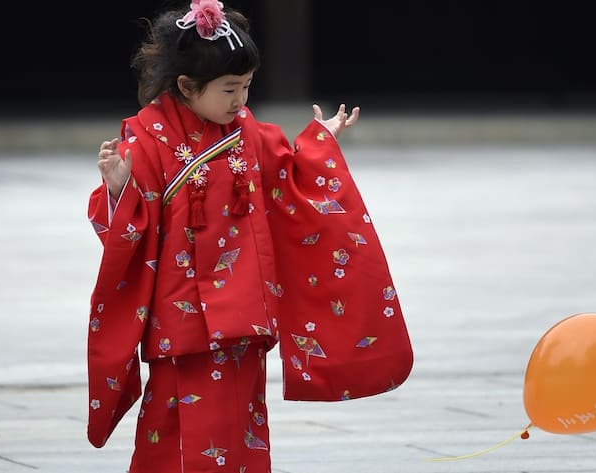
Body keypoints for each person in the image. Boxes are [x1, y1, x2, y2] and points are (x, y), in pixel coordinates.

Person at [86, 1, 414, 472]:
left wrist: (320, 141)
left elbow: (290, 172)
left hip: (243, 310)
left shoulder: (248, 133)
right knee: (170, 430)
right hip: (180, 314)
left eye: (246, 87)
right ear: (186, 86)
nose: (240, 100)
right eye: (229, 89)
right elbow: (121, 226)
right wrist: (119, 188)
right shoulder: (145, 138)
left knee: (242, 426)